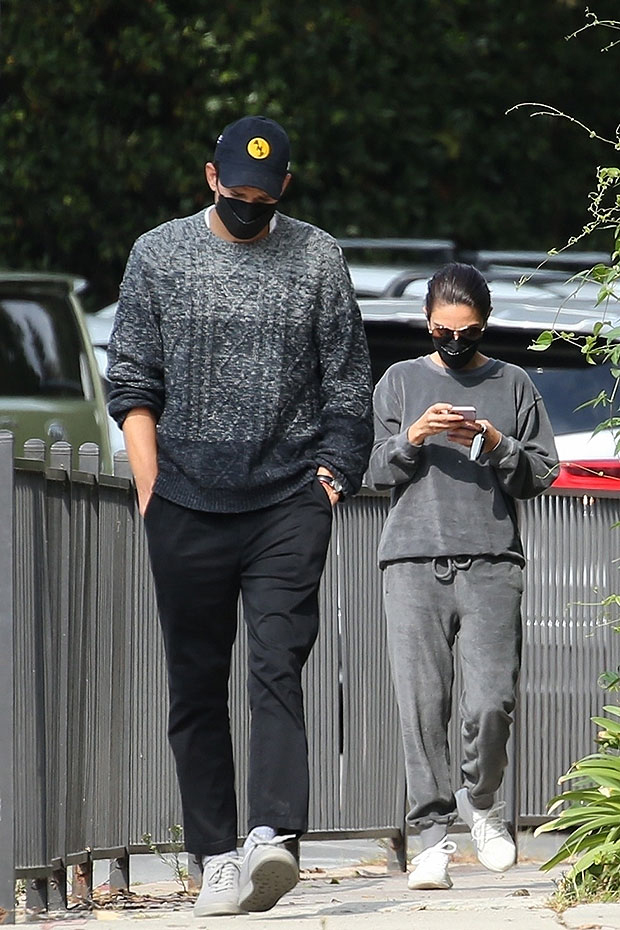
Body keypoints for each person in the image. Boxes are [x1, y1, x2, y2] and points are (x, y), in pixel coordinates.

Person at [107, 115, 373, 917]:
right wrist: (152, 493)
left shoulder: (318, 257)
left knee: (278, 663)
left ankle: (273, 837)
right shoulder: (158, 255)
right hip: (185, 499)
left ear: (283, 190)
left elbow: (349, 384)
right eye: (236, 192)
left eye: (264, 196)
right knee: (195, 685)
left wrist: (329, 481)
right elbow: (132, 382)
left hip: (288, 498)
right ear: (210, 179)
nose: (248, 205)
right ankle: (215, 854)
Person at [365, 262, 558, 891]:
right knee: (422, 706)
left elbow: (542, 471)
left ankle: (484, 801)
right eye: (444, 331)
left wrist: (497, 442)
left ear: (484, 324)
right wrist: (416, 436)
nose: (455, 342)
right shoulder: (398, 381)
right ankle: (429, 837)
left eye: (468, 331)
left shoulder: (513, 382)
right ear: (427, 323)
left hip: (492, 561)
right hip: (413, 562)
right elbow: (375, 471)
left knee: (492, 701)